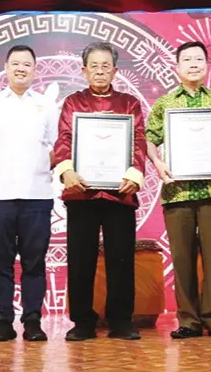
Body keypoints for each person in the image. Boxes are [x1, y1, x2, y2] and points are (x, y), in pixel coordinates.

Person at [146, 41, 211, 339]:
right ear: (176, 67)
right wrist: (158, 162)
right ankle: (188, 320)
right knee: (182, 259)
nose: (193, 64)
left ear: (207, 64)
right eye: (187, 59)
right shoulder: (165, 104)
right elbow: (149, 139)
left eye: (199, 59)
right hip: (178, 192)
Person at [53, 41, 146, 341]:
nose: (100, 71)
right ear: (83, 70)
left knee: (121, 258)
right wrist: (67, 170)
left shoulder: (129, 103)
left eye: (106, 66)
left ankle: (121, 320)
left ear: (115, 70)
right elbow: (64, 139)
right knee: (81, 260)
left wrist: (135, 173)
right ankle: (82, 321)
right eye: (94, 66)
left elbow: (139, 141)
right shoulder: (72, 103)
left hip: (120, 192)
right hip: (82, 192)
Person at [0, 45, 58, 342]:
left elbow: (58, 148)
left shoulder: (48, 106)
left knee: (35, 262)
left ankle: (33, 320)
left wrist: (38, 166)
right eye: (15, 64)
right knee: (1, 262)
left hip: (37, 194)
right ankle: (2, 320)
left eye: (27, 64)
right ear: (6, 68)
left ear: (35, 70)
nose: (21, 68)